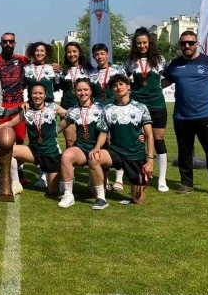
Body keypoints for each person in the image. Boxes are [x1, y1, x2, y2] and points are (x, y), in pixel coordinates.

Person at [162, 30, 208, 198]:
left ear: (197, 44)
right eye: (183, 43)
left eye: (190, 42)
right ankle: (186, 183)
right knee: (184, 152)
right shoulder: (175, 64)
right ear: (180, 45)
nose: (187, 45)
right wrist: (144, 86)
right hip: (182, 116)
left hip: (206, 115)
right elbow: (164, 82)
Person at [88, 75, 155, 209]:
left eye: (121, 84)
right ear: (112, 90)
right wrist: (97, 146)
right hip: (116, 152)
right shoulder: (107, 109)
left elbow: (149, 135)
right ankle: (101, 199)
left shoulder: (140, 107)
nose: (118, 87)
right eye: (114, 86)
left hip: (135, 155)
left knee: (138, 200)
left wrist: (150, 160)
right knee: (94, 158)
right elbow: (103, 133)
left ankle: (138, 183)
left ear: (128, 86)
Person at [124, 27, 170, 192]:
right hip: (138, 106)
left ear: (150, 43)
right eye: (139, 43)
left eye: (145, 42)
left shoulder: (160, 60)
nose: (142, 46)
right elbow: (124, 80)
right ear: (135, 45)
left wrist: (157, 88)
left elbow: (170, 77)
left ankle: (162, 179)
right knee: (139, 140)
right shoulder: (130, 61)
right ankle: (139, 175)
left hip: (157, 104)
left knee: (158, 140)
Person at [11, 83, 68, 195]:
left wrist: (58, 129)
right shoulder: (27, 110)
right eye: (34, 93)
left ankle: (64, 184)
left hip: (51, 153)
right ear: (30, 95)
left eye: (40, 93)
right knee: (10, 151)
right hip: (34, 151)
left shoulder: (53, 107)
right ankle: (15, 183)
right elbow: (10, 123)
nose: (37, 96)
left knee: (53, 192)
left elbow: (71, 115)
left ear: (45, 95)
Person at [57, 78, 104, 208]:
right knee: (66, 156)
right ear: (75, 92)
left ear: (91, 91)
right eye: (79, 90)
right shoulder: (73, 110)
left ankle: (95, 183)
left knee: (96, 194)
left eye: (85, 90)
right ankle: (68, 195)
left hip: (99, 149)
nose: (82, 93)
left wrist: (139, 134)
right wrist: (47, 133)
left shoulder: (101, 108)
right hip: (81, 148)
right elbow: (60, 127)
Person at [0, 32, 29, 183]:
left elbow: (35, 71)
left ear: (14, 43)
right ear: (1, 43)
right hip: (1, 105)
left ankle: (19, 171)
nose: (8, 44)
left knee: (19, 139)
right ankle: (4, 170)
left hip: (18, 104)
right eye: (5, 41)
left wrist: (54, 67)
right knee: (1, 139)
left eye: (11, 41)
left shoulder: (23, 60)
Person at [89, 42, 126, 191]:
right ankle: (105, 179)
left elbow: (124, 89)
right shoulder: (91, 73)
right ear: (93, 57)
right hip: (98, 112)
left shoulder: (117, 70)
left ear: (107, 55)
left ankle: (119, 179)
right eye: (97, 55)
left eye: (102, 54)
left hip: (115, 109)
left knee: (118, 141)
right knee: (102, 143)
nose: (100, 57)